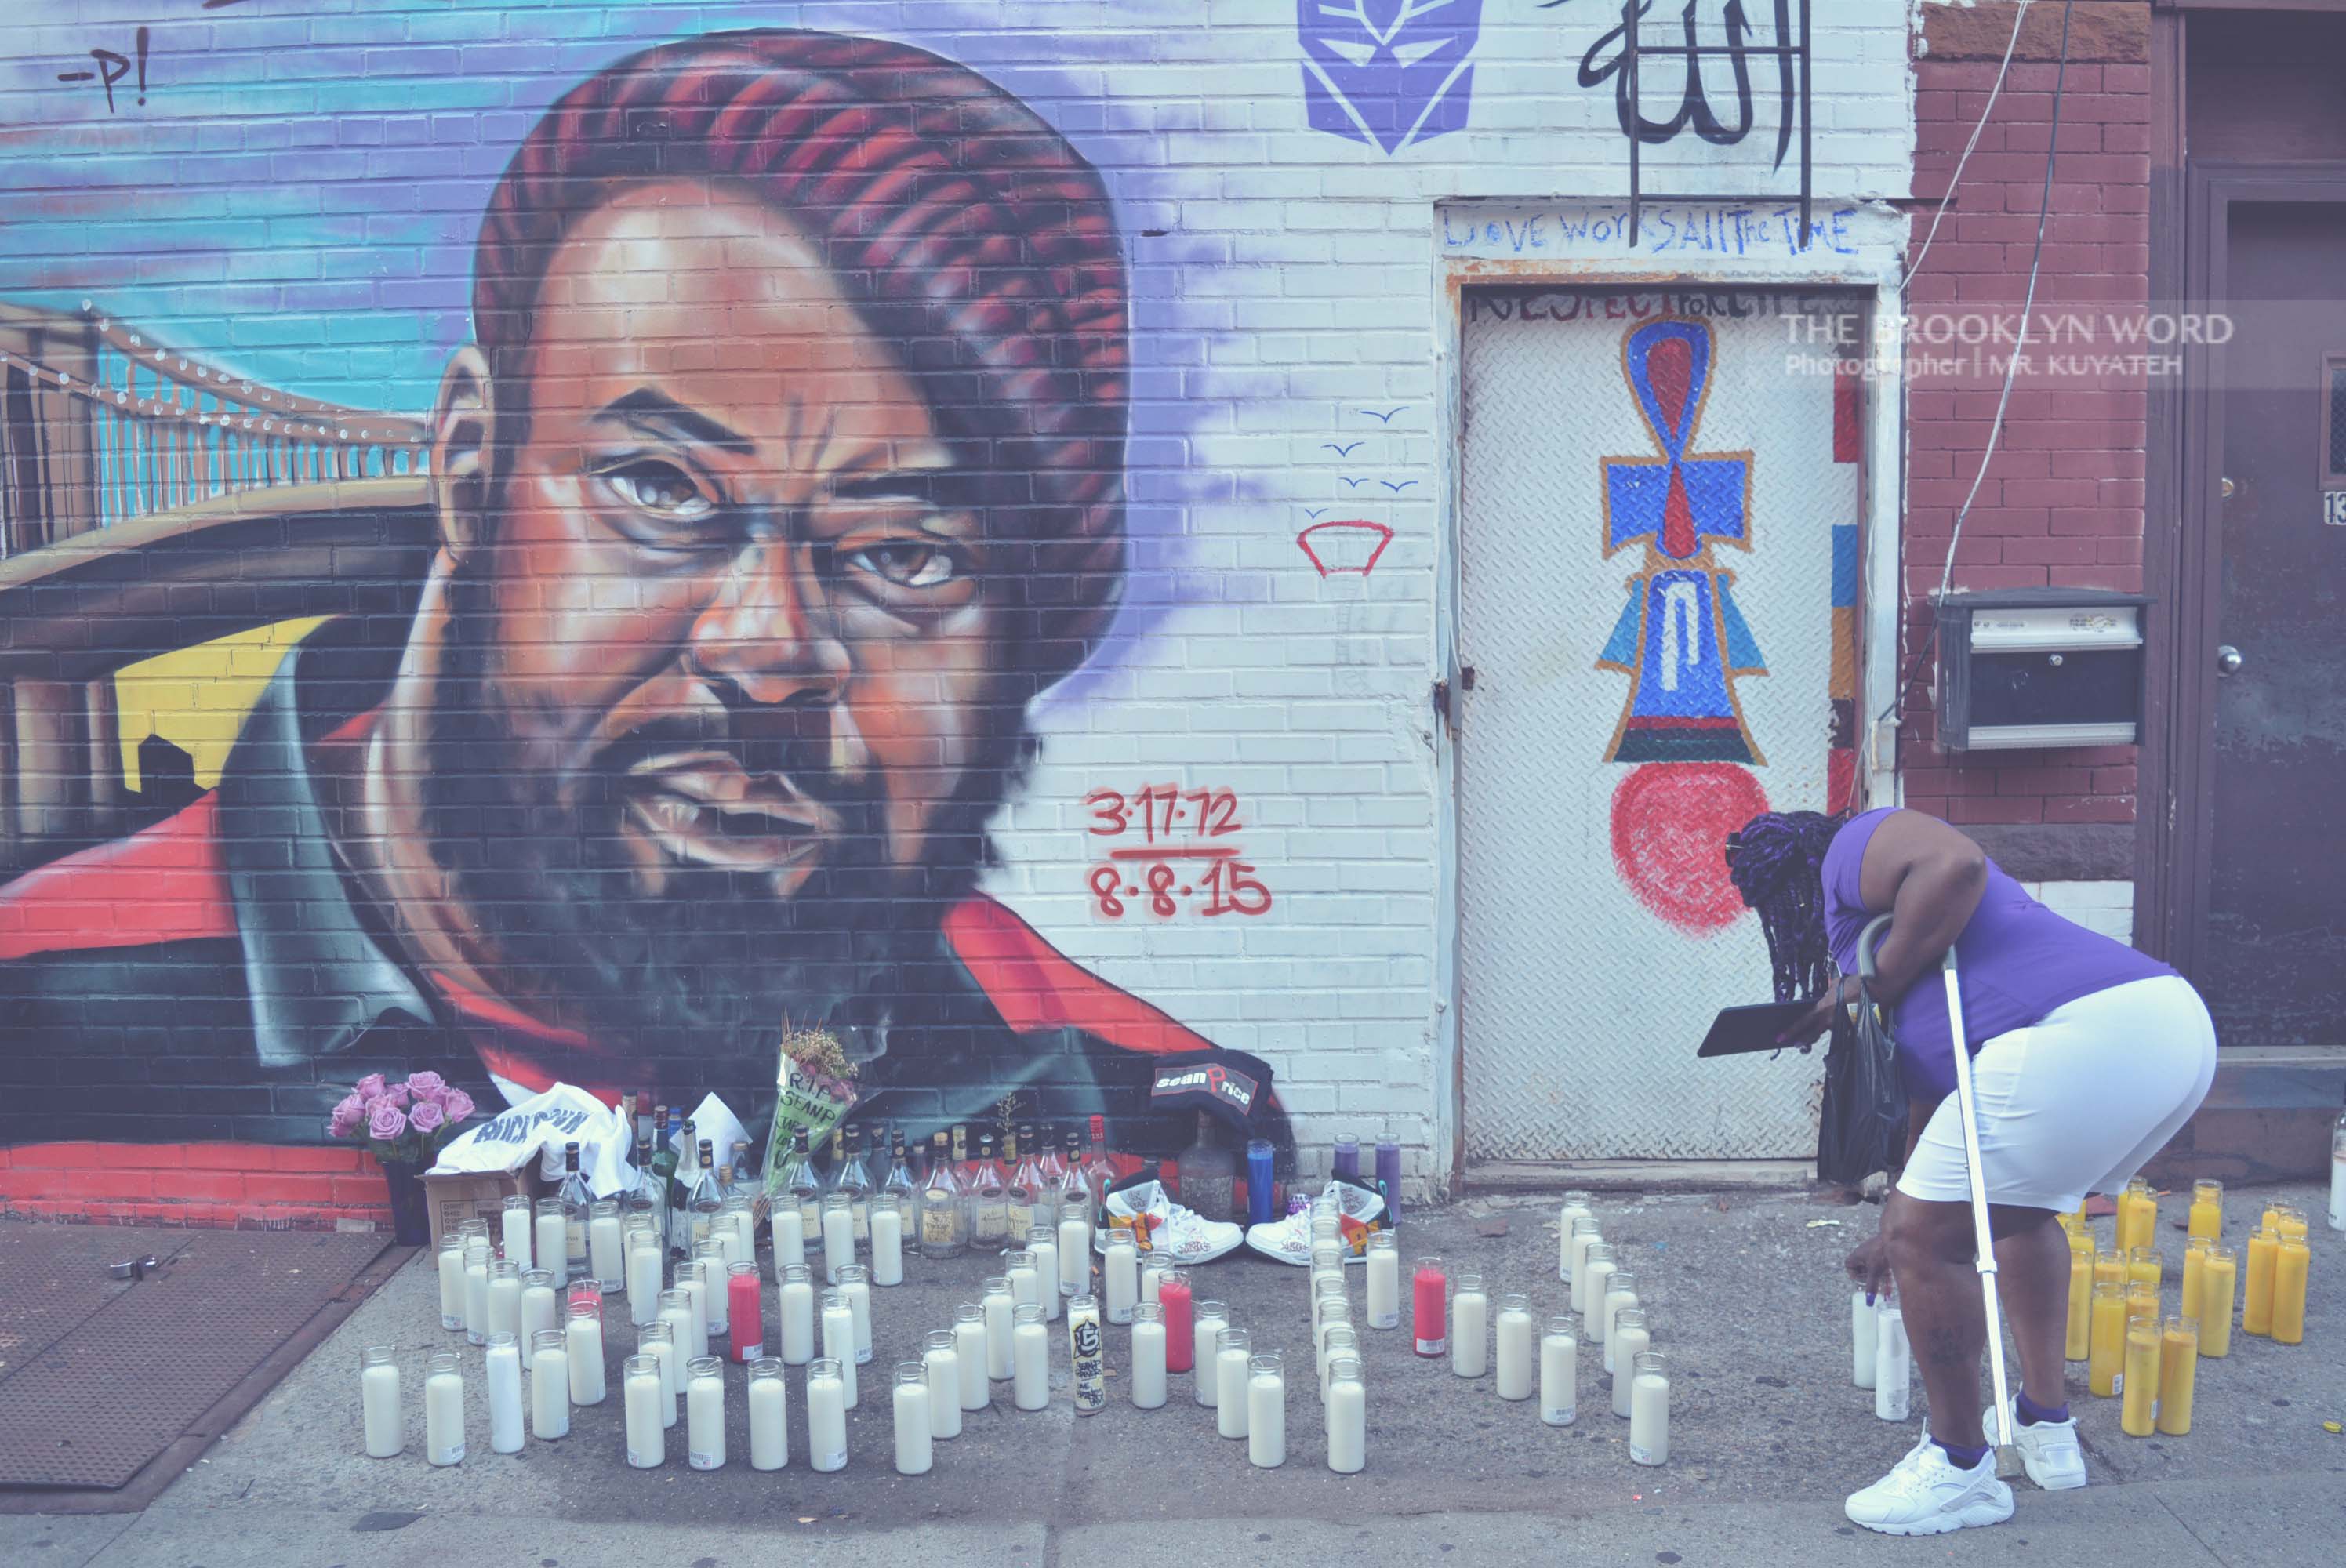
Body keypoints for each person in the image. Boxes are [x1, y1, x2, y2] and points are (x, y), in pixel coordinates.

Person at [0, 29, 1284, 1163]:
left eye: (905, 556)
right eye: (660, 489)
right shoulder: (38, 1022)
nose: (768, 650)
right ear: (470, 475)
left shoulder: (1124, 1093)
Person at [1727, 806, 2215, 1537]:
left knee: (1927, 1240)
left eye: (1779, 902)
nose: (1786, 921)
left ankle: (1959, 1470)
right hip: (2164, 1030)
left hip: (2086, 1032)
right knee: (2005, 1218)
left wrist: (1872, 985)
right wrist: (1894, 1222)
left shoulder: (1851, 850)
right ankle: (2046, 1426)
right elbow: (1943, 1114)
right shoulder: (1906, 941)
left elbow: (1956, 864)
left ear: (1799, 872)